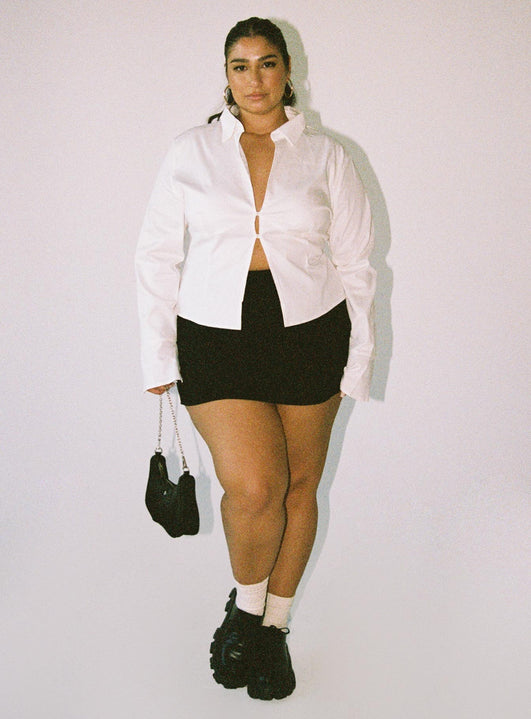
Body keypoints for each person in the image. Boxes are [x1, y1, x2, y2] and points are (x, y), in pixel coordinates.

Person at [135, 17, 376, 701]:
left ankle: (273, 628)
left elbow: (358, 264)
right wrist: (156, 353)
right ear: (226, 76)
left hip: (310, 331)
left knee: (300, 488)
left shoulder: (327, 155)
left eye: (267, 63)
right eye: (240, 66)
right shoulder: (190, 152)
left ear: (287, 71)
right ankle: (245, 609)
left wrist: (358, 360)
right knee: (253, 488)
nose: (254, 79)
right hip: (215, 335)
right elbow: (155, 255)